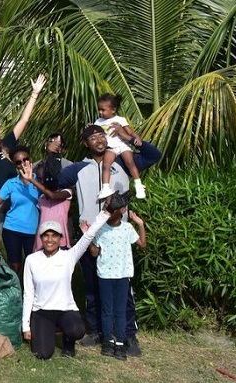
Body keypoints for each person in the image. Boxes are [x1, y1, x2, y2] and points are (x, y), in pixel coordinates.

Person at [58, 124, 161, 356]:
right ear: (85, 144)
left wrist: (132, 138)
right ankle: (96, 331)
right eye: (92, 138)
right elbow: (54, 178)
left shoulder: (123, 161)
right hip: (90, 237)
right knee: (93, 287)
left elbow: (154, 155)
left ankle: (128, 335)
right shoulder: (77, 169)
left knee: (123, 291)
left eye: (100, 135)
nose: (98, 140)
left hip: (117, 237)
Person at [22, 204, 110, 359]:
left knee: (77, 330)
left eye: (54, 235)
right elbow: (28, 294)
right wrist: (25, 326)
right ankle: (46, 330)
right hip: (41, 311)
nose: (50, 240)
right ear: (40, 238)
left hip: (65, 309)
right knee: (43, 354)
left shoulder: (69, 256)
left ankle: (68, 343)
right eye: (46, 235)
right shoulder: (32, 260)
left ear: (61, 238)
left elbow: (88, 236)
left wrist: (106, 213)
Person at [0, 74, 46, 253]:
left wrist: (34, 94)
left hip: (17, 199)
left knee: (23, 250)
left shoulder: (8, 144)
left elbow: (24, 120)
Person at [90, 191, 147, 361]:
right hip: (105, 275)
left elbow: (142, 245)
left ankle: (120, 342)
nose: (107, 212)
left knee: (120, 311)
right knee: (107, 310)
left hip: (122, 275)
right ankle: (108, 341)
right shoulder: (101, 229)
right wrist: (90, 234)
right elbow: (94, 253)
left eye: (110, 208)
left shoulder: (128, 229)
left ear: (121, 211)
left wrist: (141, 224)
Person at [0, 146, 45, 277]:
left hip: (33, 230)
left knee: (33, 266)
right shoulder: (11, 183)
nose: (23, 164)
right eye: (18, 162)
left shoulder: (39, 179)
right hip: (12, 229)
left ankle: (32, 295)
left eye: (25, 160)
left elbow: (49, 194)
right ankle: (15, 293)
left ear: (30, 160)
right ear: (14, 165)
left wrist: (31, 180)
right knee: (15, 266)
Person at [94, 93, 146, 199]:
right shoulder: (98, 122)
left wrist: (137, 138)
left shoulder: (120, 119)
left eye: (103, 110)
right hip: (110, 147)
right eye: (99, 109)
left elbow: (130, 131)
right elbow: (93, 132)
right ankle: (105, 187)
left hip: (122, 145)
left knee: (130, 162)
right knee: (106, 165)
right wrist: (89, 127)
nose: (100, 112)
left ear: (113, 110)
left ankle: (138, 185)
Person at [30, 132, 73, 251]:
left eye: (59, 143)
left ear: (62, 148)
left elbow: (64, 190)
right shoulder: (35, 166)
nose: (55, 144)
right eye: (52, 141)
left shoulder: (68, 165)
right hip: (41, 212)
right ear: (46, 144)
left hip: (61, 215)